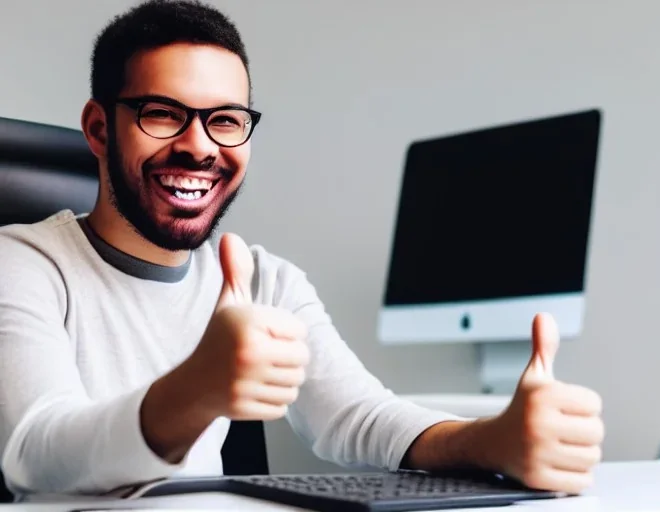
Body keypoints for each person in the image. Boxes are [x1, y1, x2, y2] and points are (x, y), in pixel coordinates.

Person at [0, 0, 604, 499]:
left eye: (227, 121)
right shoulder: (24, 263)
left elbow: (359, 417)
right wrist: (194, 391)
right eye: (163, 114)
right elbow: (37, 452)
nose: (200, 147)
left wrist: (490, 441)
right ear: (100, 128)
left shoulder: (266, 281)